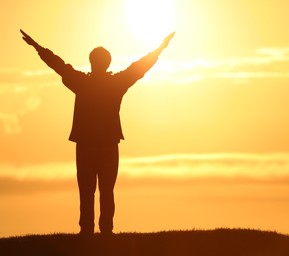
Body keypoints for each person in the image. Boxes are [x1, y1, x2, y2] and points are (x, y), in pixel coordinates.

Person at [20, 29, 175, 236]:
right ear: (107, 63)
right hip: (107, 144)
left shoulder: (82, 82)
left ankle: (88, 229)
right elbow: (139, 67)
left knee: (87, 191)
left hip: (87, 144)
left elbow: (58, 65)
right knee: (106, 190)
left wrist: (37, 47)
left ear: (92, 62)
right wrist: (160, 48)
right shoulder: (115, 83)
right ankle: (105, 230)